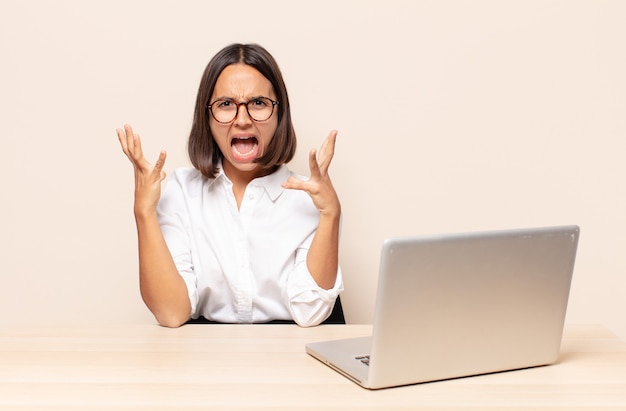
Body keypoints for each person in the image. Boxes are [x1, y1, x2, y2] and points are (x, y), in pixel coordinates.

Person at [116, 43, 343, 328]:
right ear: (207, 117)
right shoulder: (181, 192)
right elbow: (172, 313)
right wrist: (144, 212)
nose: (243, 120)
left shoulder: (309, 198)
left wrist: (331, 214)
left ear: (279, 114)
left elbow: (310, 315)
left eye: (258, 103)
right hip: (205, 362)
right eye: (226, 105)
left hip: (290, 360)